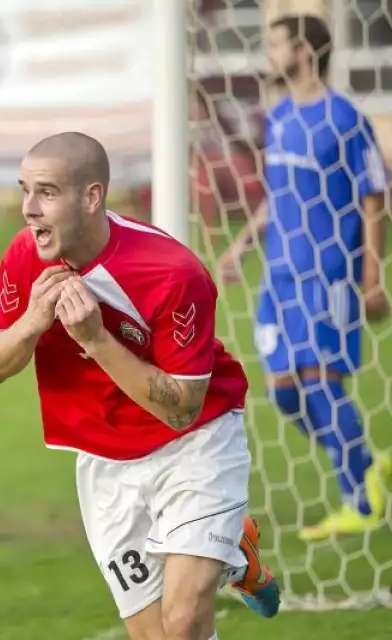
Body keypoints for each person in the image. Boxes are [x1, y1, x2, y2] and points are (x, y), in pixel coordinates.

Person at [0, 132, 281, 639]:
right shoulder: (26, 255)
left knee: (182, 623)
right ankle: (232, 555)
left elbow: (183, 408)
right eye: (25, 190)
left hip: (195, 444)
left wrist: (95, 340)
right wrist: (30, 322)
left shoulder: (173, 272)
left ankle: (217, 551)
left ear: (91, 197)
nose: (29, 209)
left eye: (46, 192)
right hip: (105, 464)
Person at [219, 14, 391, 541]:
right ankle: (367, 463)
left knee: (321, 381)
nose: (267, 52)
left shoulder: (344, 118)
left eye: (275, 42)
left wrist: (372, 269)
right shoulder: (280, 117)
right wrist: (240, 245)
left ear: (304, 49)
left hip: (329, 269)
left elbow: (373, 195)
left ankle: (360, 501)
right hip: (280, 275)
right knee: (284, 392)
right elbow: (278, 195)